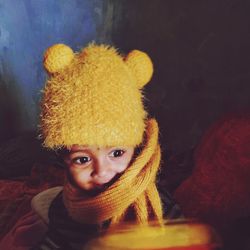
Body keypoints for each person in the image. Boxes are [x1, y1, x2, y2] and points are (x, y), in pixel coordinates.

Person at [0, 43, 181, 250]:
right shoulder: (64, 209)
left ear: (135, 149)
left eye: (117, 153)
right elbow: (57, 242)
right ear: (64, 161)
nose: (102, 171)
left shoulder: (157, 205)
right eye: (82, 159)